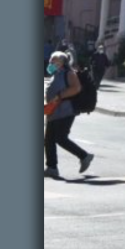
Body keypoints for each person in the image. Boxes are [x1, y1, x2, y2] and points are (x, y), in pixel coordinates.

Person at [44, 50, 94, 180]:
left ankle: (84, 156)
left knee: (61, 138)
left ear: (61, 62)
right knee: (48, 140)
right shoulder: (56, 74)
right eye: (50, 59)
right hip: (54, 112)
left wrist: (60, 95)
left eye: (53, 60)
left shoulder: (69, 73)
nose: (50, 62)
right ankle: (52, 168)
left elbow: (76, 88)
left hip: (66, 111)